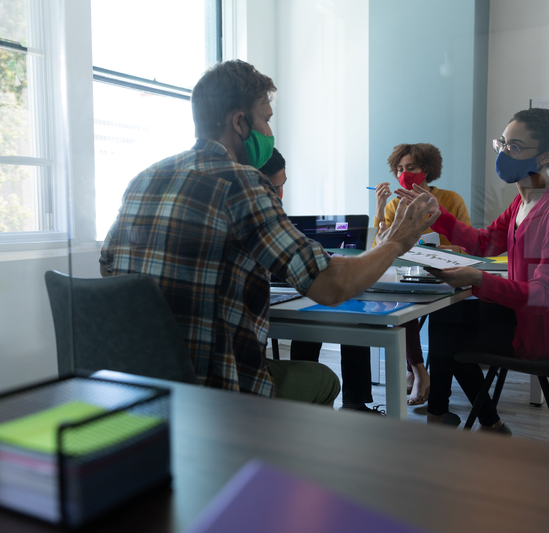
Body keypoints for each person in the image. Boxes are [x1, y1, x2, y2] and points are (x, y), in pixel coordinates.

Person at [99, 60, 441, 407]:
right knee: (323, 379)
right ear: (239, 122)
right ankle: (272, 453)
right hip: (218, 388)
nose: (269, 131)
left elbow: (108, 268)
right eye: (266, 118)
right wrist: (396, 241)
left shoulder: (145, 178)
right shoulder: (243, 182)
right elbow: (331, 285)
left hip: (139, 388)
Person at [401, 108, 549, 433]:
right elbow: (485, 243)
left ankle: (445, 423)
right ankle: (477, 421)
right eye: (501, 143)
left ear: (546, 155)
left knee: (449, 329)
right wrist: (440, 216)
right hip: (526, 317)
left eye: (515, 147)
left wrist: (478, 279)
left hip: (547, 331)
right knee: (446, 320)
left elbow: (544, 297)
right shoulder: (523, 201)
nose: (504, 153)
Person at [259, 149, 380, 414]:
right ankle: (348, 407)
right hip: (237, 378)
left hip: (173, 372)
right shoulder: (264, 220)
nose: (280, 196)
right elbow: (331, 283)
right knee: (342, 315)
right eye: (276, 188)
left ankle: (352, 403)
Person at [372, 143, 472, 405]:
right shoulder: (395, 205)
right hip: (409, 277)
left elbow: (469, 246)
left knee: (442, 319)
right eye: (399, 169)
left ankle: (419, 376)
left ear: (426, 170)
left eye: (411, 168)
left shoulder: (451, 199)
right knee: (398, 303)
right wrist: (380, 209)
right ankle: (418, 371)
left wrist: (439, 249)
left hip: (447, 276)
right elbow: (378, 248)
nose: (404, 174)